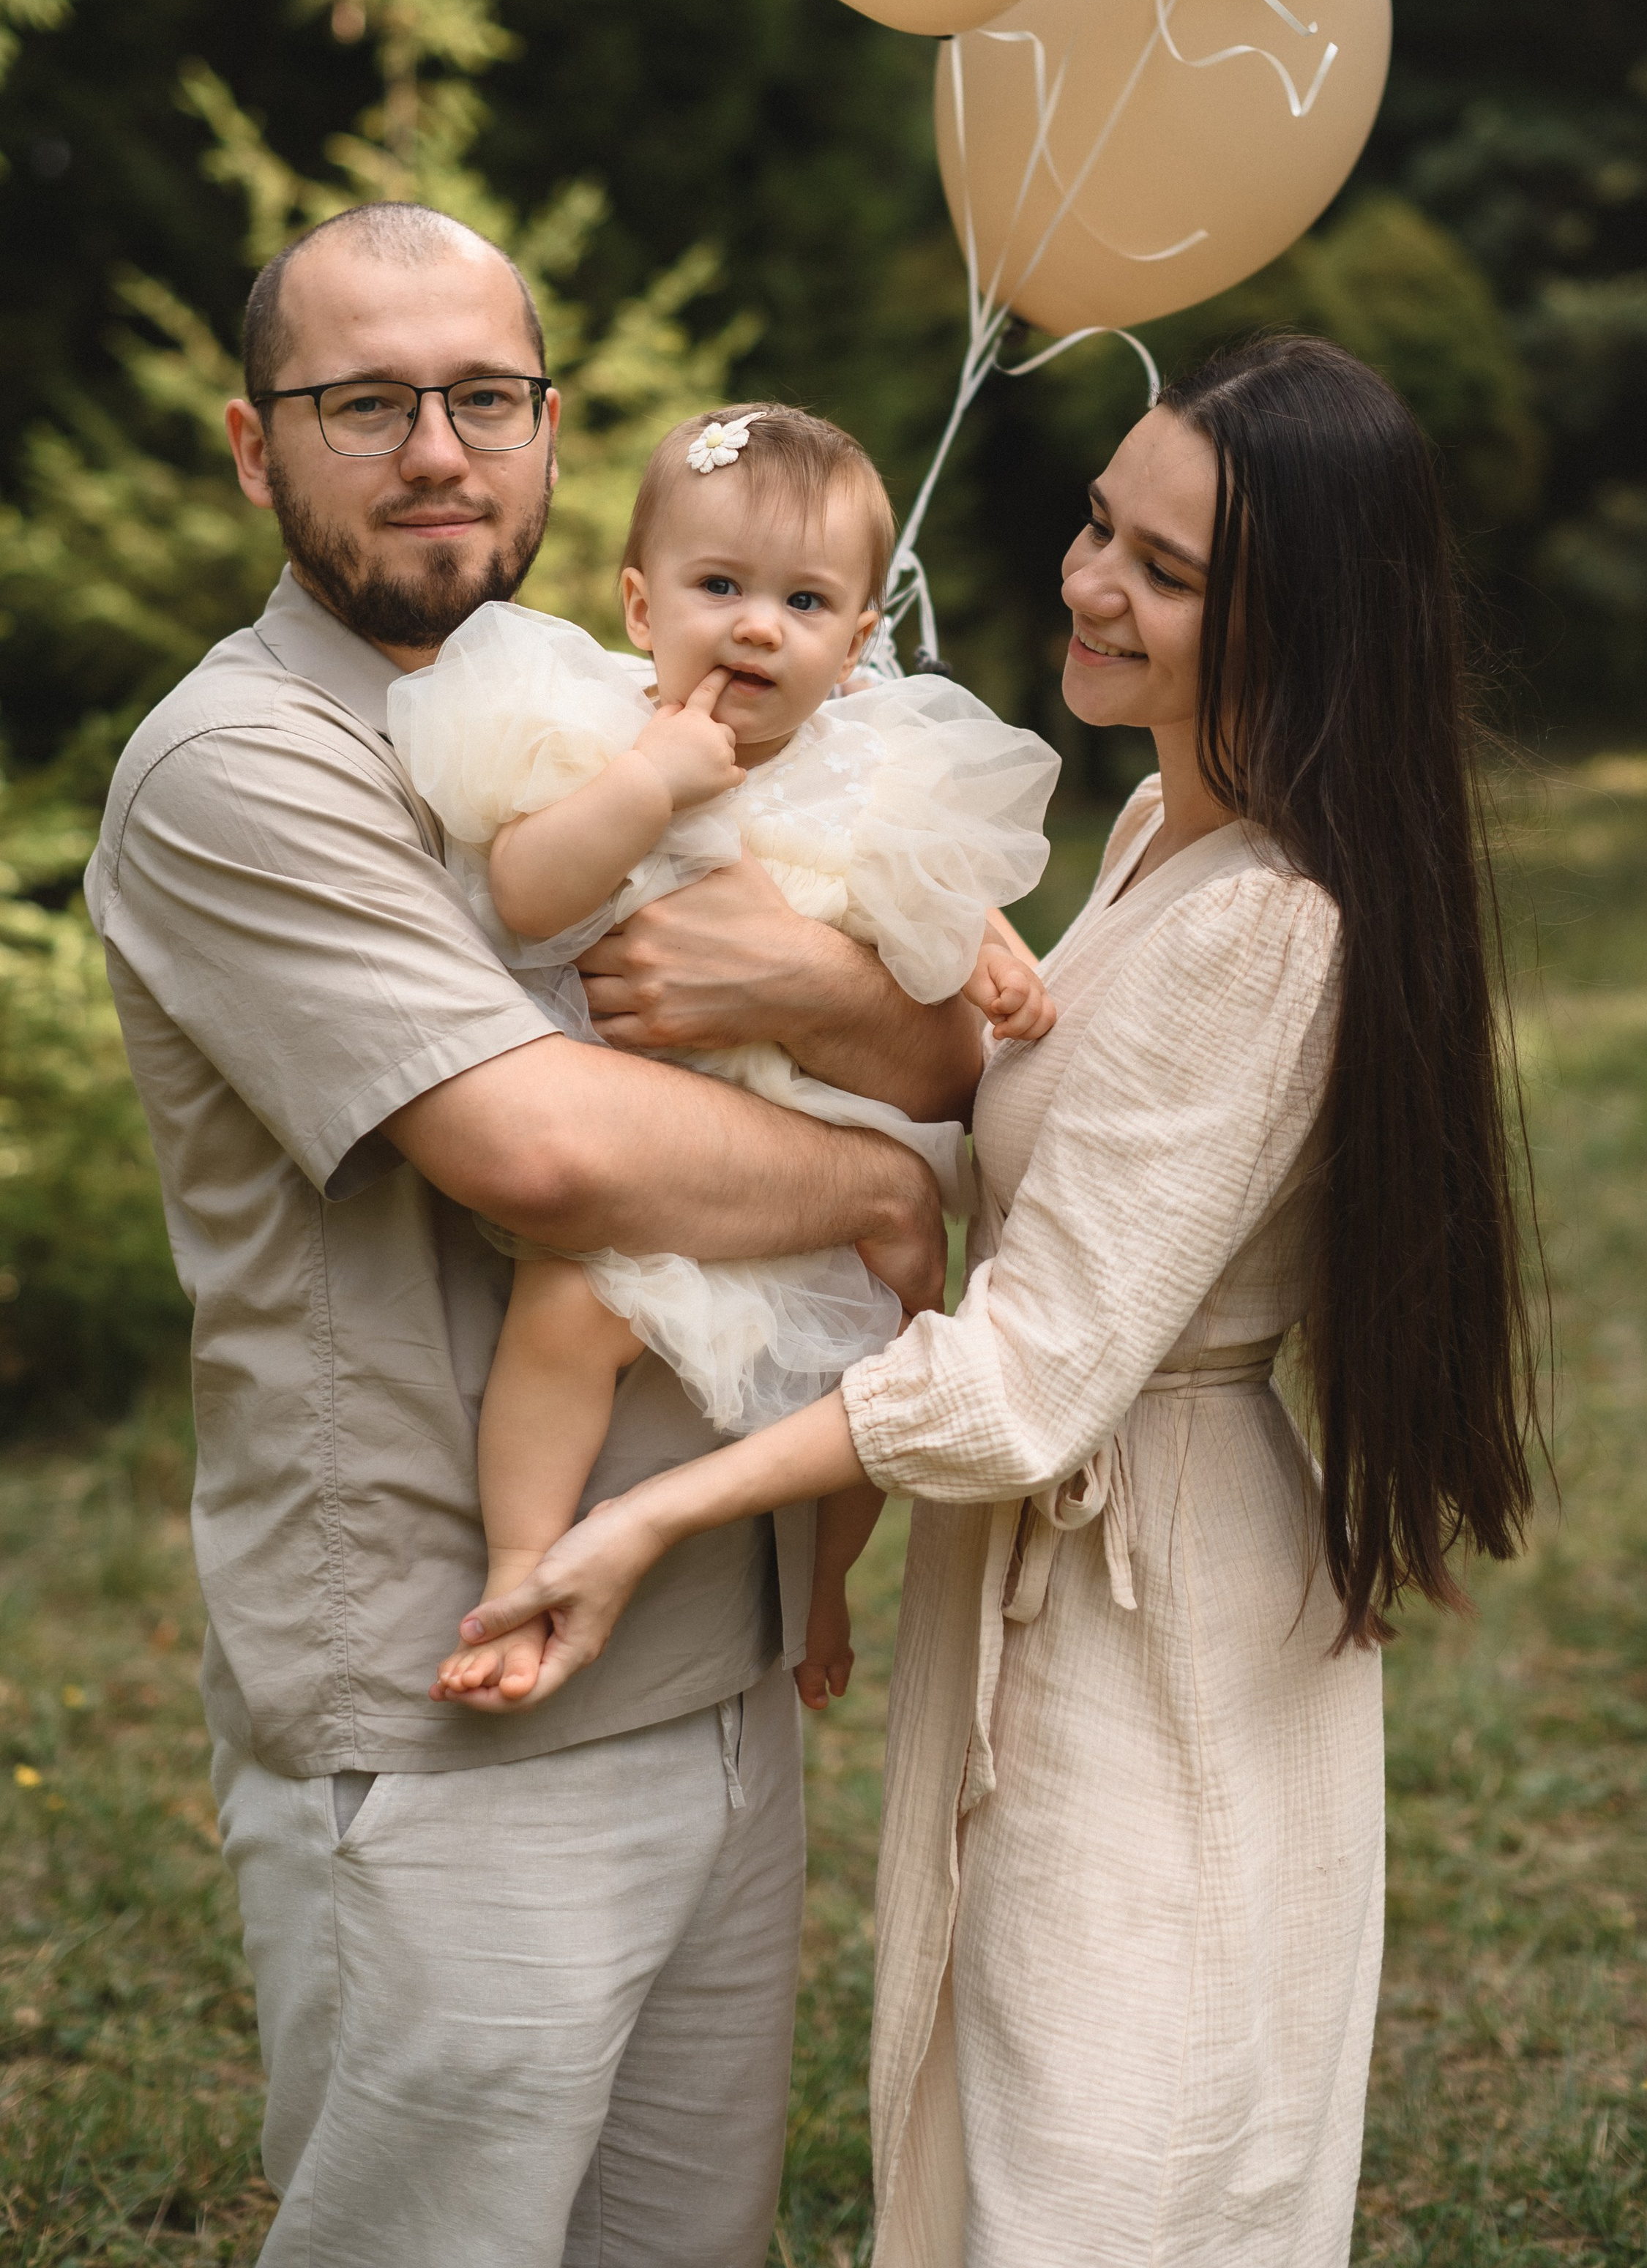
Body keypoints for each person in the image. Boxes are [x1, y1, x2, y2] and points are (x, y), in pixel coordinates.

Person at [460, 333, 1542, 2267]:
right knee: (1005, 2118)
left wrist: (651, 1520)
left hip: (1151, 1595)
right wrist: (807, 996)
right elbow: (1018, 1105)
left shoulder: (1272, 924)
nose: (1088, 585)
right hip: (1048, 1566)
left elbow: (1029, 1377)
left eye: (1166, 570)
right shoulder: (1146, 836)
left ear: (1293, 619)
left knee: (1106, 2154)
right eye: (1094, 528)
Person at [83, 200, 963, 2268]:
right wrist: (868, 1189)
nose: (435, 448)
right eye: (362, 401)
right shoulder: (242, 765)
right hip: (451, 1709)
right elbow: (552, 1157)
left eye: (484, 396)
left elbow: (937, 1034)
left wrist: (829, 1015)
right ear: (250, 446)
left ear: (555, 432)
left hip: (719, 1662)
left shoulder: (617, 707)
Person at [385, 400, 1056, 1709]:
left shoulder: (873, 770)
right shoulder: (590, 737)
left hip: (823, 1145)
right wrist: (650, 780)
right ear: (642, 606)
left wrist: (995, 947)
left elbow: (936, 884)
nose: (758, 624)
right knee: (567, 1313)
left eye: (806, 602)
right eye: (720, 586)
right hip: (666, 1148)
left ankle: (823, 1596)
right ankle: (523, 1570)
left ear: (859, 647)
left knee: (882, 1384)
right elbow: (523, 891)